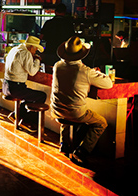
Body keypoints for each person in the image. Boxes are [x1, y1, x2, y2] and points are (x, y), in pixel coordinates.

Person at [50, 36, 113, 166]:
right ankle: (82, 151)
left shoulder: (57, 66)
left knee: (65, 106)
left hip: (56, 110)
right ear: (81, 54)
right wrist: (97, 74)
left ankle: (64, 144)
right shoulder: (85, 71)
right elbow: (108, 84)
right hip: (75, 113)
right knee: (101, 123)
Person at [2, 35, 47, 132]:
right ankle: (25, 121)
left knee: (29, 95)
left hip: (6, 85)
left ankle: (16, 115)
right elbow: (32, 72)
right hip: (15, 88)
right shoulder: (26, 53)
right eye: (35, 50)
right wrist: (37, 60)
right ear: (31, 47)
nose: (35, 52)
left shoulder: (14, 49)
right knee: (41, 96)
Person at [39, 3, 75, 70]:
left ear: (55, 12)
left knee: (49, 76)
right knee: (61, 75)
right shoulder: (68, 24)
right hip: (63, 54)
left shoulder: (48, 23)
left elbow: (41, 37)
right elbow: (72, 39)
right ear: (64, 13)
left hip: (50, 53)